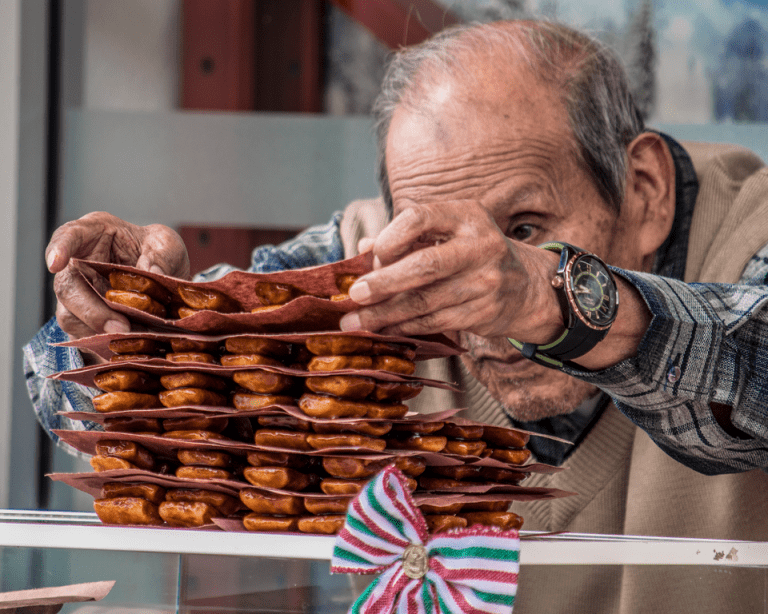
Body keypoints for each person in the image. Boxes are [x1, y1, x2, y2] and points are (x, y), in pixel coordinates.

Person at [24, 19, 768, 613]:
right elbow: (111, 388)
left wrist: (555, 298)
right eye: (444, 235)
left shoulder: (751, 231)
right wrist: (123, 329)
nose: (483, 292)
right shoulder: (381, 255)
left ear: (642, 190)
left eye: (524, 228)